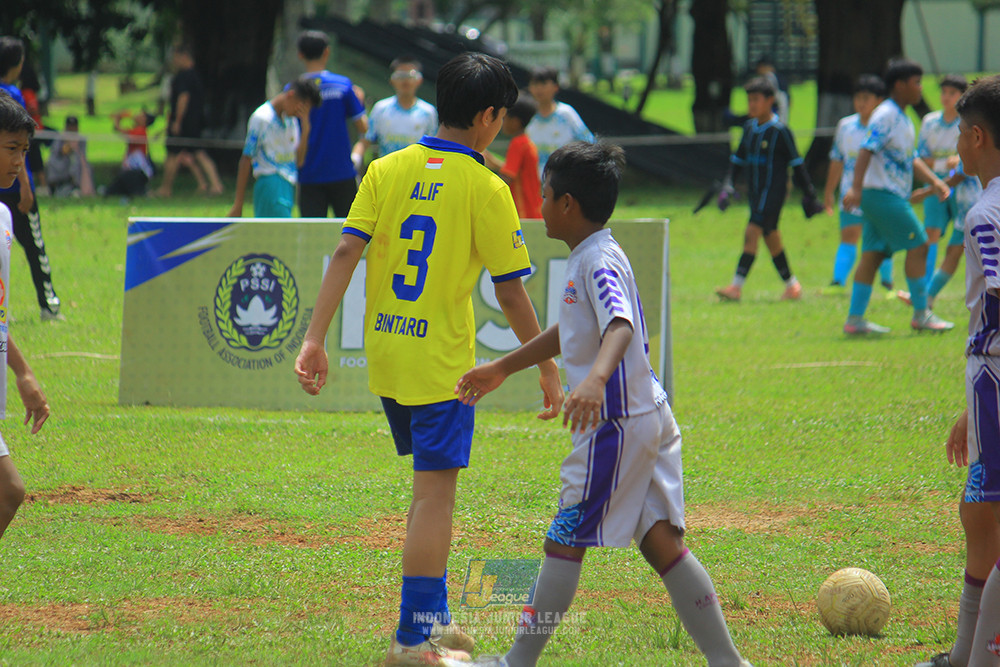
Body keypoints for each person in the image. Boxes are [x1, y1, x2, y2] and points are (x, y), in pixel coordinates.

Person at [293, 52, 563, 666]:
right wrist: (546, 367)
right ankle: (413, 639)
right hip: (443, 366)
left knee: (427, 492)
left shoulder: (386, 167)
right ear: (488, 116)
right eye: (502, 116)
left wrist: (314, 338)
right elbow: (511, 292)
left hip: (389, 353)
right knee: (434, 498)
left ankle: (436, 622)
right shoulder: (486, 186)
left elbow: (345, 252)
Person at [452, 141, 751, 667]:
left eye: (545, 195)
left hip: (616, 423)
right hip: (646, 413)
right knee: (661, 543)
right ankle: (729, 663)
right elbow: (572, 328)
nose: (540, 204)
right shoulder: (594, 252)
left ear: (567, 204)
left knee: (564, 538)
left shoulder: (597, 261)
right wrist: (503, 367)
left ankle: (515, 663)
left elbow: (619, 323)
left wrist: (593, 380)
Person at [914, 74, 1000, 667]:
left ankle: (978, 655)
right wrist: (969, 409)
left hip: (993, 375)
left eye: (959, 133)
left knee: (986, 510)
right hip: (986, 382)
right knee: (977, 512)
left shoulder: (984, 214)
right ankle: (966, 651)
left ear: (976, 137)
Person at [841, 58, 954, 335]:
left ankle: (854, 320)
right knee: (920, 244)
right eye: (916, 82)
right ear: (900, 85)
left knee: (873, 254)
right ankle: (921, 314)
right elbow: (866, 149)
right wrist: (856, 188)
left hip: (883, 195)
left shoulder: (902, 118)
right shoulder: (886, 115)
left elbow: (911, 158)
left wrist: (935, 182)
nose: (920, 88)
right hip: (882, 194)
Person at [715, 76, 823, 303]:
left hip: (773, 193)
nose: (752, 104)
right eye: (749, 100)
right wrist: (728, 184)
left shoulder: (780, 131)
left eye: (756, 99)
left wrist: (809, 194)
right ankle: (792, 286)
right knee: (771, 236)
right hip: (755, 193)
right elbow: (737, 161)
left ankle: (736, 287)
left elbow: (797, 164)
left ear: (770, 100)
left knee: (752, 232)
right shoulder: (749, 128)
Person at [0, 91, 53, 540]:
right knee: (9, 491)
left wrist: (23, 372)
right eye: (11, 148)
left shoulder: (3, 216)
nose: (19, 161)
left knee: (8, 493)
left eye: (25, 150)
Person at [0, 36, 62, 321]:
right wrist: (26, 185)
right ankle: (49, 306)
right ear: (17, 63)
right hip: (15, 188)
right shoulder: (12, 94)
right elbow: (19, 146)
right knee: (36, 248)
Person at [823, 75, 895, 293]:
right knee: (849, 235)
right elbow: (837, 159)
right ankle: (838, 282)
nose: (861, 102)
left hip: (878, 193)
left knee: (881, 238)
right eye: (858, 97)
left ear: (879, 101)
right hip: (850, 193)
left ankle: (887, 282)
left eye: (866, 98)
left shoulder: (885, 126)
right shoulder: (846, 126)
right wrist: (829, 191)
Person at [295, 30, 368, 218]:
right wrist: (360, 103)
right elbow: (363, 128)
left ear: (300, 54)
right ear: (327, 52)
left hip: (309, 172)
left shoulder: (294, 90)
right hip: (342, 171)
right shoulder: (343, 85)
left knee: (312, 231)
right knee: (348, 228)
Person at [227, 75, 321, 218]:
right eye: (301, 107)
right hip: (270, 183)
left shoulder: (291, 121)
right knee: (280, 231)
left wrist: (306, 129)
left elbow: (299, 161)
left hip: (288, 185)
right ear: (291, 95)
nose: (300, 113)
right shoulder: (262, 118)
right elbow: (246, 159)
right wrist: (238, 204)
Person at [154, 44, 223, 197]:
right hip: (194, 122)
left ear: (183, 56)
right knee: (199, 152)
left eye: (175, 57)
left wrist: (177, 121)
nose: (174, 61)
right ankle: (216, 184)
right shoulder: (196, 76)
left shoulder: (183, 77)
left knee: (173, 154)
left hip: (184, 123)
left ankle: (165, 189)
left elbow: (183, 98)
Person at [350, 56, 437, 168]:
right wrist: (354, 160)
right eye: (400, 76)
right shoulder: (381, 108)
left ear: (419, 80)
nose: (405, 81)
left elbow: (433, 148)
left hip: (415, 174)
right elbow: (365, 140)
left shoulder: (428, 112)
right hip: (385, 172)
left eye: (410, 76)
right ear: (392, 80)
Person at [525, 66, 593, 177]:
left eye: (543, 84)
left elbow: (589, 142)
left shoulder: (566, 114)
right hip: (532, 181)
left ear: (556, 87)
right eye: (535, 84)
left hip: (561, 180)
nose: (539, 89)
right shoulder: (527, 114)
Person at [483, 93, 542, 219]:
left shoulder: (517, 144)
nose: (502, 122)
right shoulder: (526, 142)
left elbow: (507, 177)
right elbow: (517, 172)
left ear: (515, 122)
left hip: (523, 212)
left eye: (504, 118)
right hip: (534, 210)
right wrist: (493, 162)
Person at [104, 110, 156, 198]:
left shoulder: (141, 131)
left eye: (141, 115)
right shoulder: (135, 130)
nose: (137, 115)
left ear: (144, 120)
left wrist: (117, 120)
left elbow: (127, 136)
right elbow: (119, 130)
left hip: (137, 169)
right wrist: (118, 120)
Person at [46, 116, 94, 197]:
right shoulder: (59, 139)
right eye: (70, 127)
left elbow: (82, 156)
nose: (72, 129)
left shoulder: (81, 140)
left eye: (74, 126)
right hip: (61, 170)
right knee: (52, 163)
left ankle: (81, 189)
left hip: (76, 169)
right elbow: (57, 154)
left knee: (83, 166)